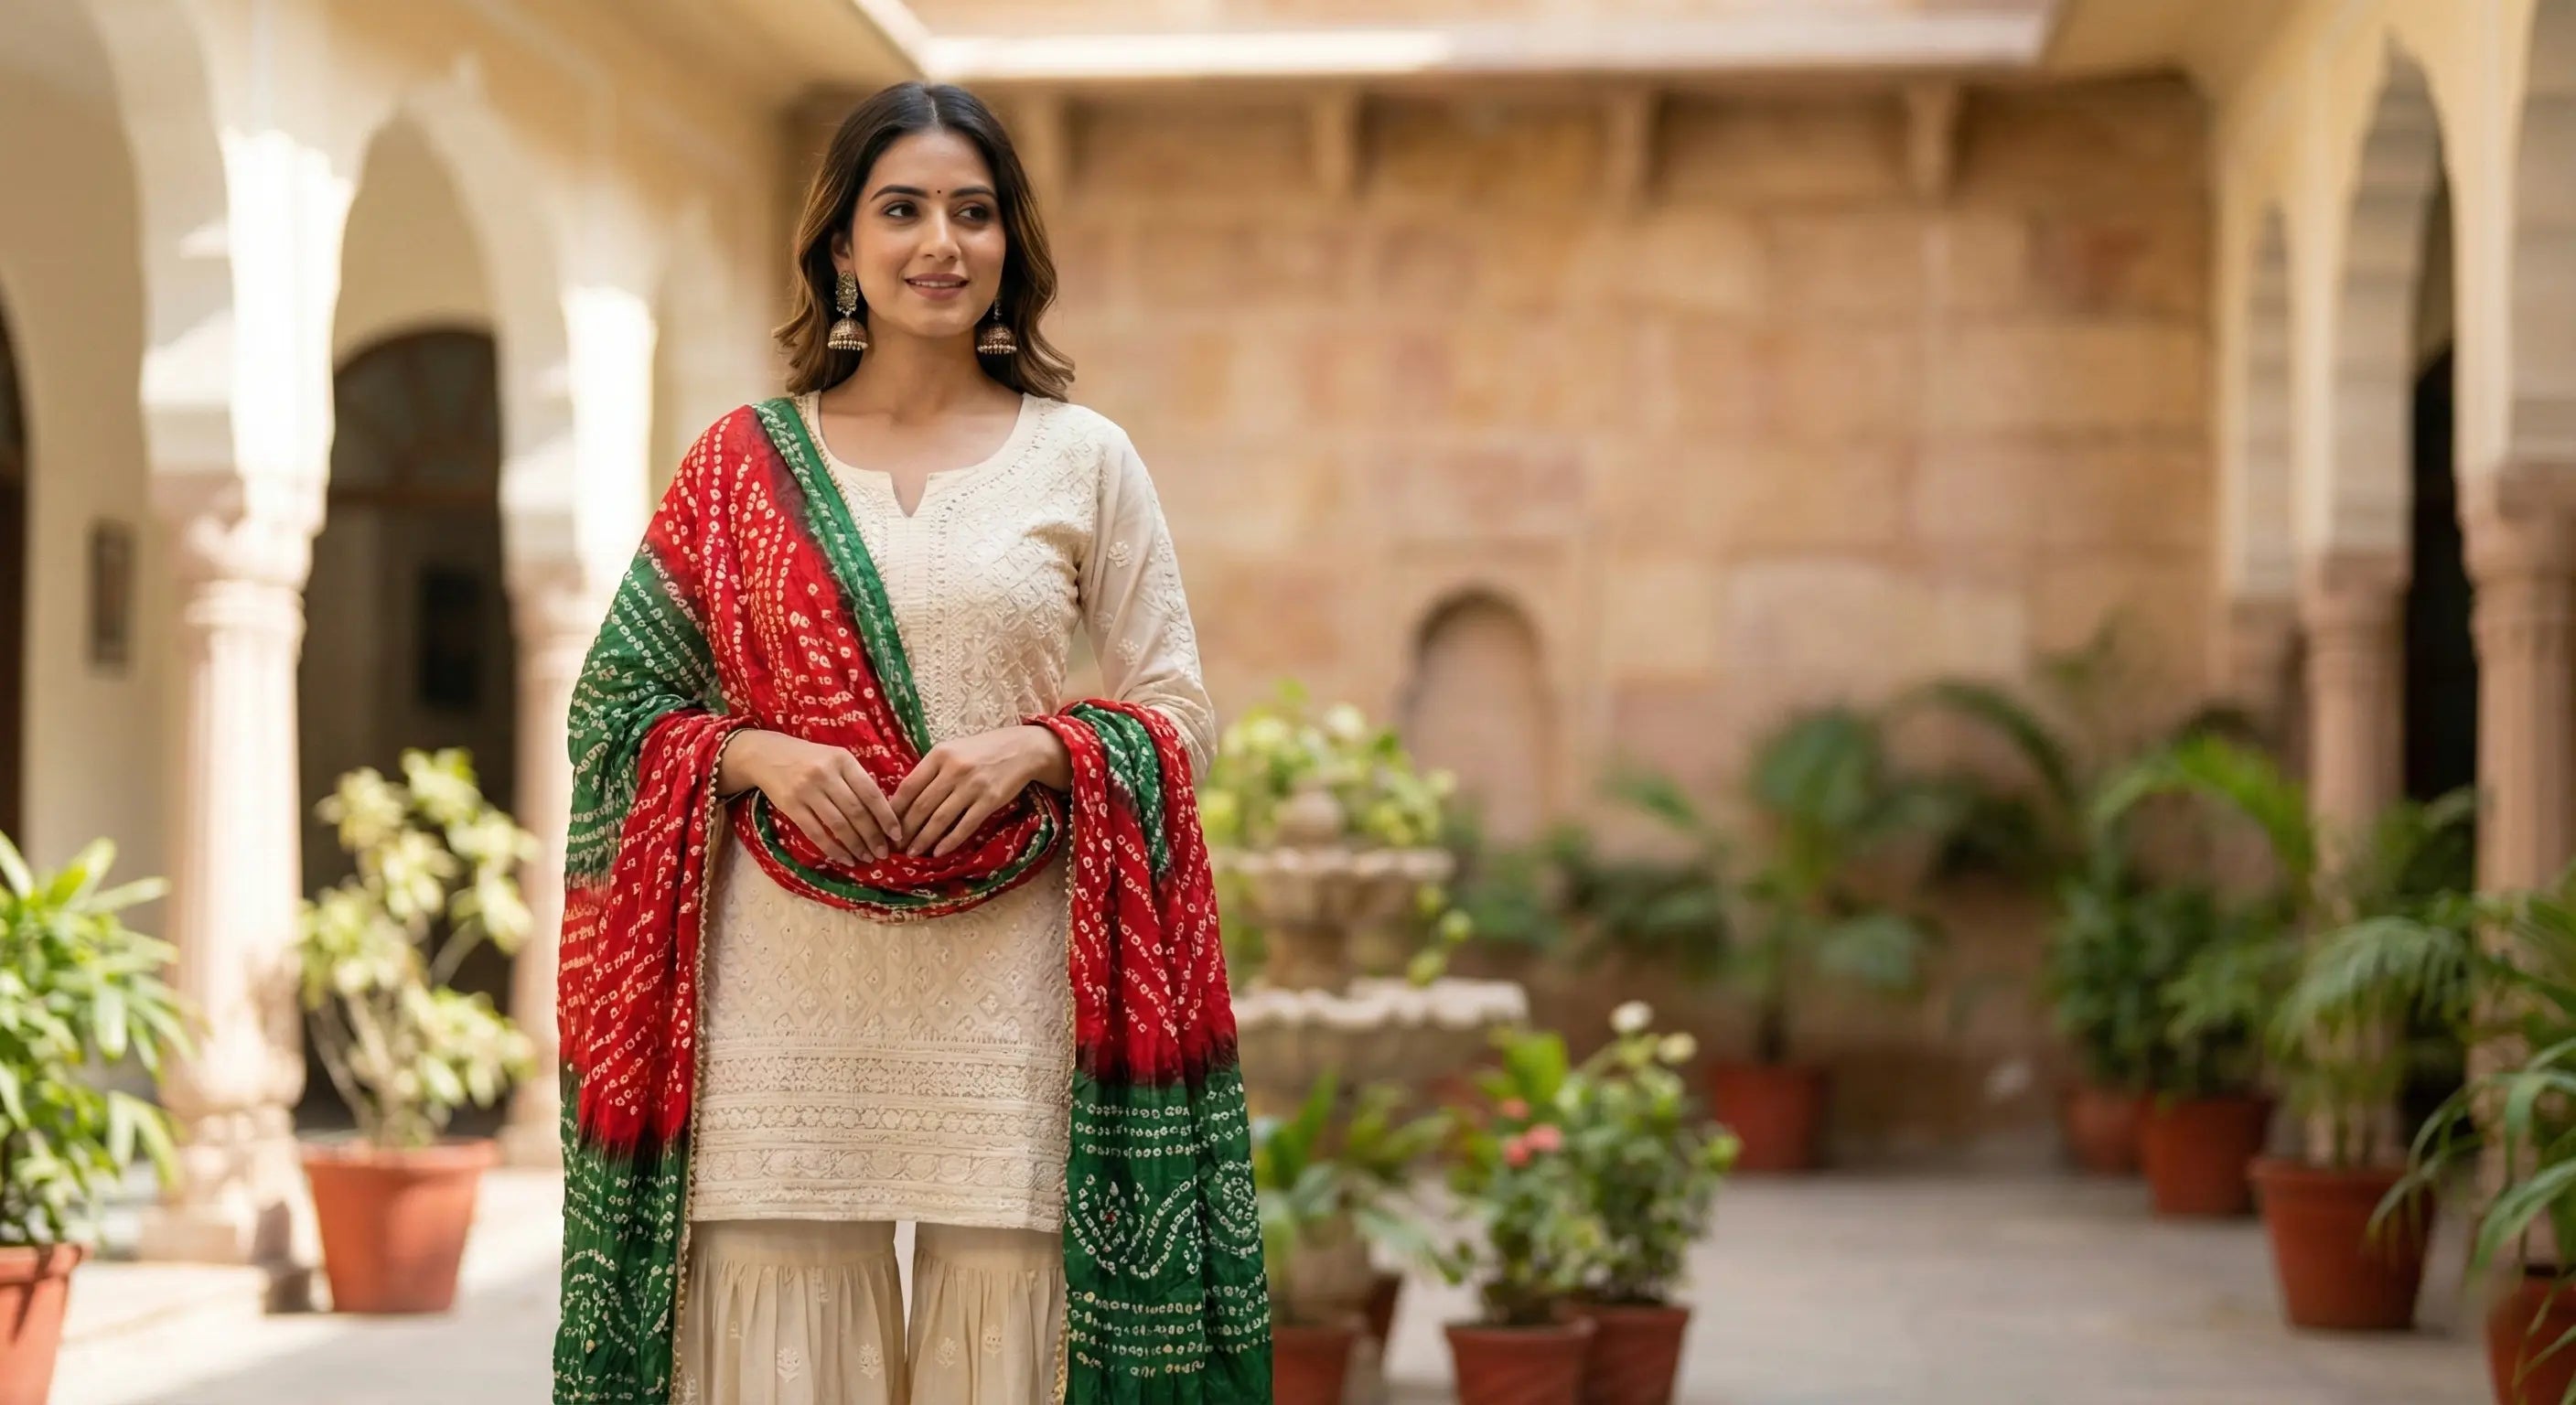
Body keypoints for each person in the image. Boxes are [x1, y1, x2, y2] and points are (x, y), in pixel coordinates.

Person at [550, 81, 1271, 1405]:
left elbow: (1178, 709)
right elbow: (616, 713)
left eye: (973, 212)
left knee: (1013, 1328)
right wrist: (752, 754)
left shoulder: (1083, 458)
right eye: (904, 210)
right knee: (776, 1336)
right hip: (777, 999)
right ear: (841, 248)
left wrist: (1046, 749)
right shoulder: (739, 463)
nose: (941, 242)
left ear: (1009, 247)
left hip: (1016, 991)